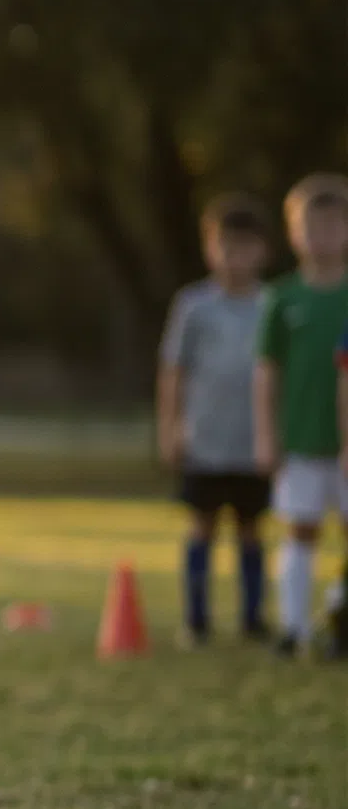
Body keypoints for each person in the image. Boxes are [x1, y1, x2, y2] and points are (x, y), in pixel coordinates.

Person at [156, 195, 274, 643]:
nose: (234, 257)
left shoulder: (271, 304)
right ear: (209, 248)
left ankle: (252, 617)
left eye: (244, 247)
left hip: (253, 440)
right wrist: (170, 427)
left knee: (251, 527)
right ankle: (197, 618)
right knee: (201, 524)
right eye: (225, 246)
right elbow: (173, 370)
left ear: (262, 250)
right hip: (205, 438)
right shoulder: (193, 306)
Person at [254, 172, 348, 656]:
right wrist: (267, 435)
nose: (322, 236)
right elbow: (266, 372)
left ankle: (340, 619)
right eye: (311, 226)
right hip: (301, 438)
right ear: (293, 232)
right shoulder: (282, 298)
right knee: (300, 528)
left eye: (334, 225)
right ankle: (294, 628)